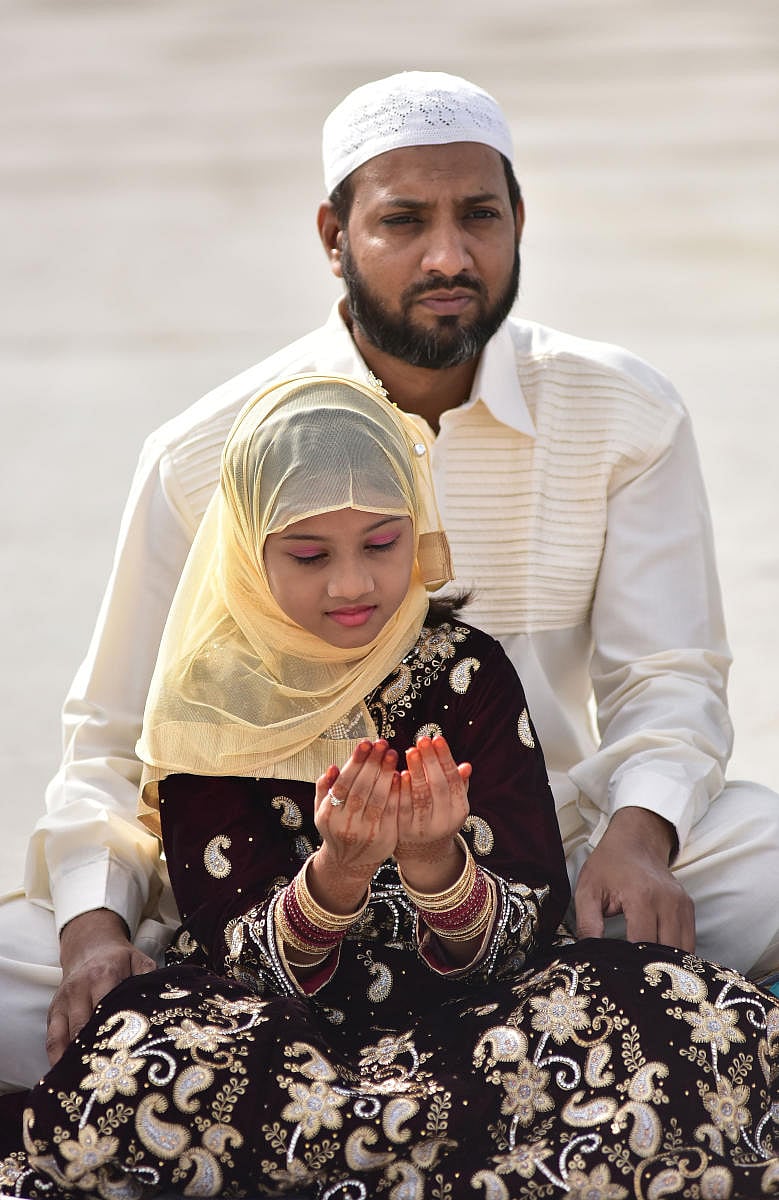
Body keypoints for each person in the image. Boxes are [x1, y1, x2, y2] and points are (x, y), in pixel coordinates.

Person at [1, 69, 778, 1093]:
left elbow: (667, 679)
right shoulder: (211, 451)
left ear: (519, 221)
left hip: (556, 849)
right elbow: (107, 742)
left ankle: (401, 1035)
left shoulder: (620, 412)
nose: (447, 255)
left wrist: (636, 843)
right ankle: (469, 1041)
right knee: (24, 987)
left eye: (478, 217)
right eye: (403, 221)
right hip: (262, 876)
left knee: (759, 858)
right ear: (333, 233)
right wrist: (95, 932)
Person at [0, 375, 775, 1200]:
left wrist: (438, 864)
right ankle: (464, 1159)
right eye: (308, 555)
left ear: (419, 529)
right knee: (146, 1051)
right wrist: (333, 879)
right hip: (269, 1035)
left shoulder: (464, 668)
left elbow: (534, 931)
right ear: (246, 554)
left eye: (380, 544)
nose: (352, 585)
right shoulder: (210, 699)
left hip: (484, 1023)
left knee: (671, 1009)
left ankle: (356, 1157)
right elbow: (227, 953)